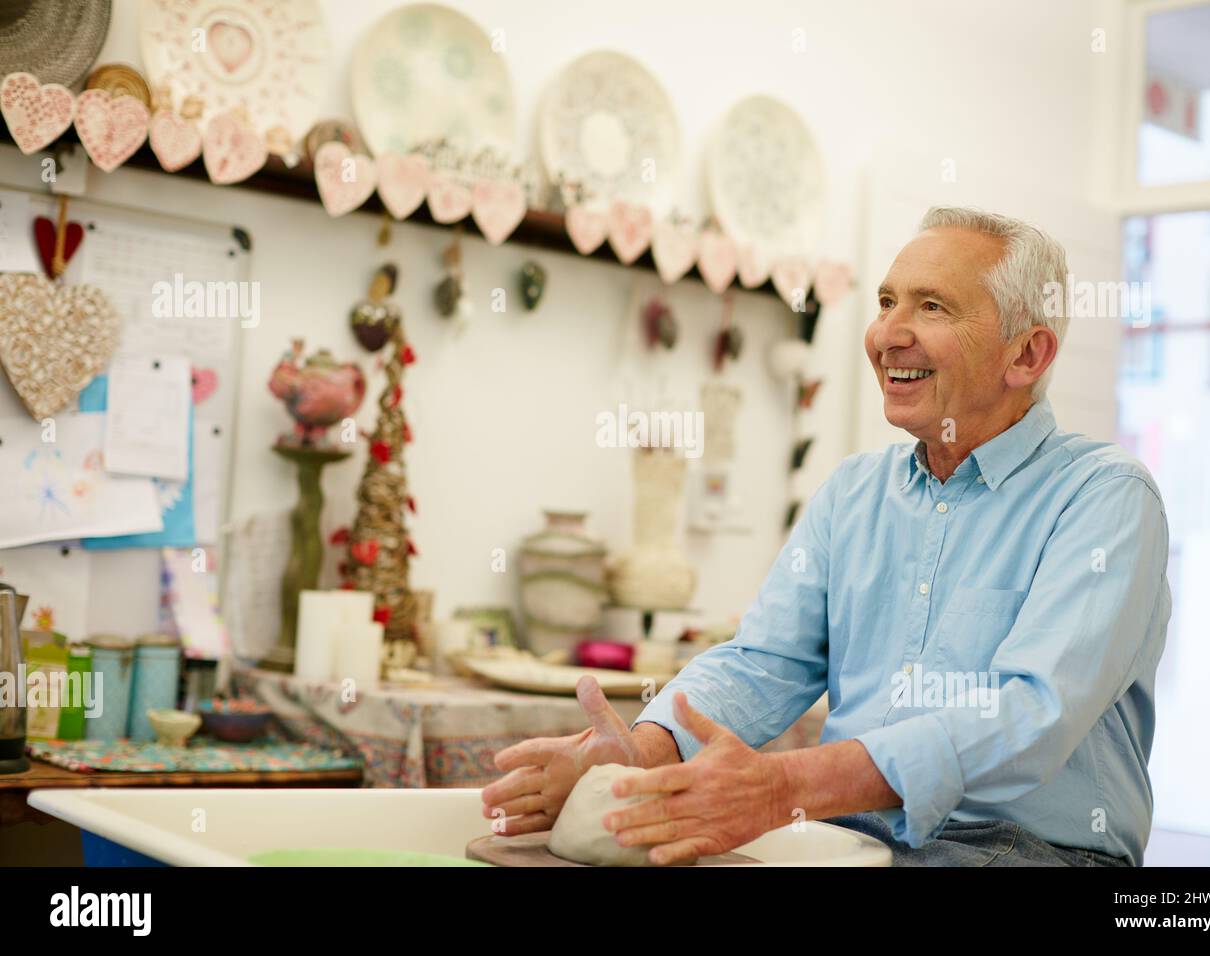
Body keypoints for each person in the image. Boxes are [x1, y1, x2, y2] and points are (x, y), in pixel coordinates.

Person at [481, 206, 1171, 867]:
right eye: (885, 302)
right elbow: (763, 663)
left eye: (931, 307)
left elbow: (1031, 715)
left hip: (1032, 851)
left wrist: (787, 787)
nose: (886, 335)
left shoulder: (1105, 497)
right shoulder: (854, 492)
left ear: (1026, 354)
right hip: (853, 837)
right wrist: (645, 752)